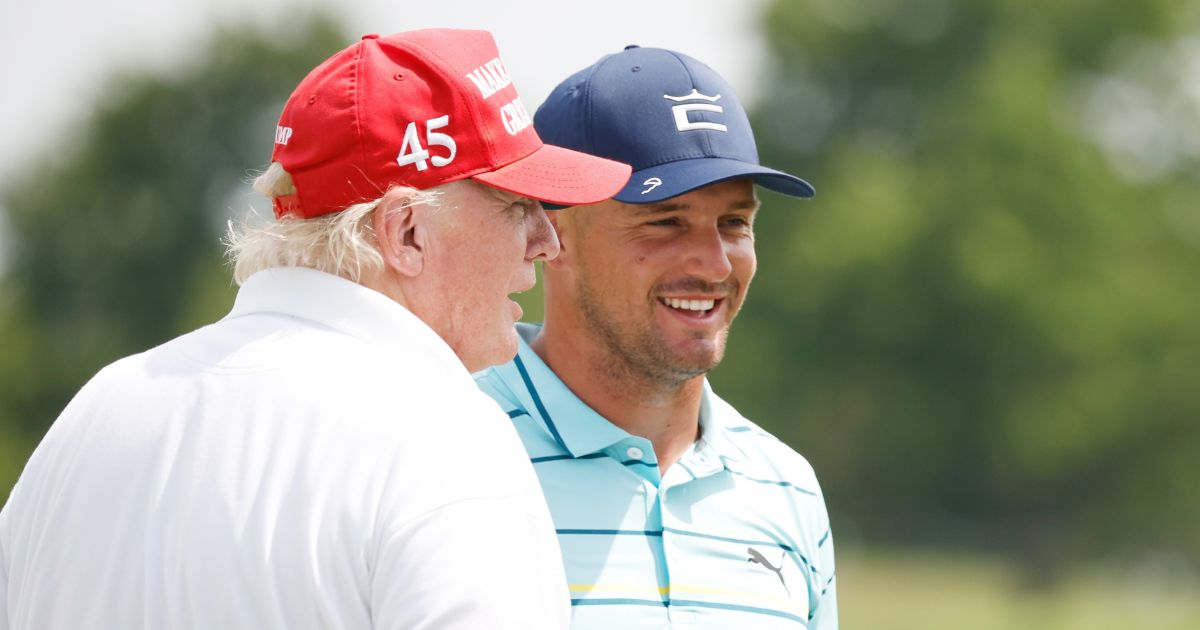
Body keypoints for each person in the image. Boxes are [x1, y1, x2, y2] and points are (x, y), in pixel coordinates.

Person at [0, 29, 630, 630]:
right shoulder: (445, 436)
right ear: (406, 232)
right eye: (518, 207)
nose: (546, 243)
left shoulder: (99, 409)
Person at [474, 45, 837, 629]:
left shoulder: (786, 485)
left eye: (735, 223)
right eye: (665, 220)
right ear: (551, 232)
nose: (715, 264)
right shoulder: (449, 444)